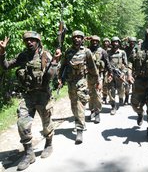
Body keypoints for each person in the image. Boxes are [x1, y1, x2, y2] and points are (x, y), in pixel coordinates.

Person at [0, 31, 61, 171]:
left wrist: (55, 62)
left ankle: (49, 144)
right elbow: (6, 66)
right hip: (28, 96)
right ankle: (29, 154)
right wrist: (2, 52)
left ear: (38, 42)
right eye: (27, 40)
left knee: (47, 124)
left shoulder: (46, 55)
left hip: (43, 95)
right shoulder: (23, 56)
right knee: (22, 123)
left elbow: (49, 77)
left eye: (33, 40)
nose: (29, 42)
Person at [58, 30, 100, 144]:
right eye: (75, 37)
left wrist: (97, 81)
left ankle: (79, 130)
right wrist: (60, 79)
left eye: (79, 37)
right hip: (70, 82)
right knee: (73, 105)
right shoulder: (68, 52)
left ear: (82, 39)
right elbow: (63, 66)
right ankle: (80, 121)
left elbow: (92, 67)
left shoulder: (86, 52)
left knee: (80, 104)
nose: (77, 39)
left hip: (81, 81)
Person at [87, 35, 112, 123]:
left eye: (96, 41)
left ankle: (97, 113)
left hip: (99, 76)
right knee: (90, 95)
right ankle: (92, 111)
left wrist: (110, 73)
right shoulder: (87, 50)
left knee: (97, 95)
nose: (94, 42)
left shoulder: (102, 51)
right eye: (93, 41)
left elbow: (107, 63)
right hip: (88, 76)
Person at [107, 36, 128, 115]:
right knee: (111, 90)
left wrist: (123, 73)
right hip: (111, 74)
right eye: (113, 42)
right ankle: (113, 106)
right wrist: (108, 73)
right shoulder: (108, 52)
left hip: (120, 74)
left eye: (117, 42)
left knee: (121, 89)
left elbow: (126, 64)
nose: (115, 43)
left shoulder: (122, 52)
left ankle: (121, 98)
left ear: (119, 43)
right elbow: (106, 63)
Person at [101, 37, 111, 104]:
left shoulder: (111, 50)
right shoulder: (100, 50)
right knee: (103, 84)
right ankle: (104, 97)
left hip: (109, 69)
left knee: (107, 83)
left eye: (107, 41)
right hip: (102, 69)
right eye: (104, 41)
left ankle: (107, 97)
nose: (105, 43)